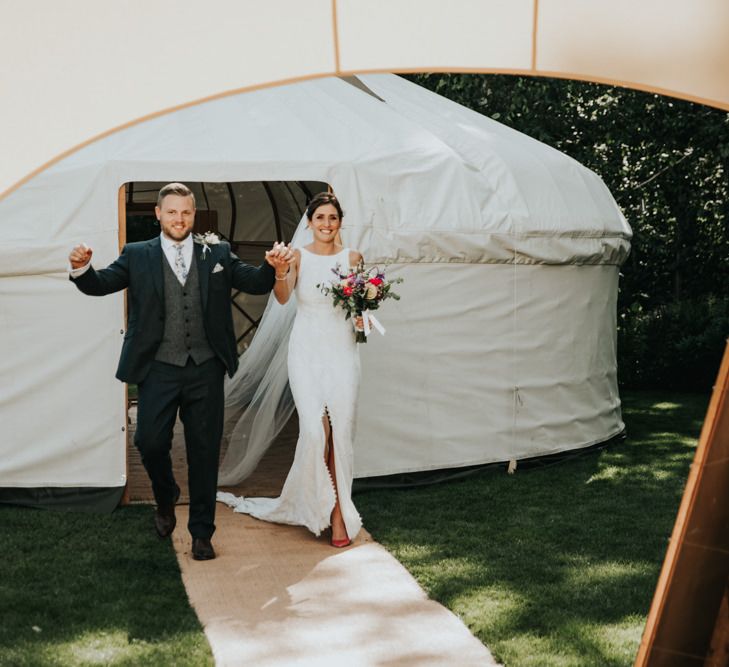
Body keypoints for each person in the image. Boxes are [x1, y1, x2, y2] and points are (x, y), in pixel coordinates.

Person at [68, 182, 292, 561]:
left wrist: (273, 268)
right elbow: (101, 284)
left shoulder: (216, 252)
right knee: (149, 441)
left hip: (206, 368)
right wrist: (82, 268)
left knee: (204, 452)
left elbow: (254, 282)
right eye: (171, 212)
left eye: (186, 212)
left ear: (194, 215)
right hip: (158, 367)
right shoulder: (137, 254)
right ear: (158, 214)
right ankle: (165, 493)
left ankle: (202, 533)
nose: (179, 218)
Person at [218, 191, 363, 547]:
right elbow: (283, 298)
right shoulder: (298, 256)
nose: (327, 225)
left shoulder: (354, 258)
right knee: (315, 432)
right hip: (306, 350)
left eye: (333, 218)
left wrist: (363, 313)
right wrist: (281, 273)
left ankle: (338, 514)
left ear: (340, 222)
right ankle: (314, 503)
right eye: (320, 218)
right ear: (310, 223)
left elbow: (358, 309)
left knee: (340, 433)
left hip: (343, 351)